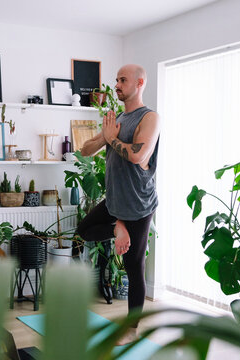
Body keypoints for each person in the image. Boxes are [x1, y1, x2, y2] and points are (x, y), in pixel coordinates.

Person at [77, 64, 160, 345]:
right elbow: (85, 150)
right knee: (85, 229)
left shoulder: (149, 118)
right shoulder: (118, 119)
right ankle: (116, 229)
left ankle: (132, 330)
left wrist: (112, 138)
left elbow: (138, 155)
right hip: (115, 201)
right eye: (116, 80)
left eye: (122, 80)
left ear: (140, 82)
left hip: (137, 203)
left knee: (133, 266)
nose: (117, 85)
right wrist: (105, 136)